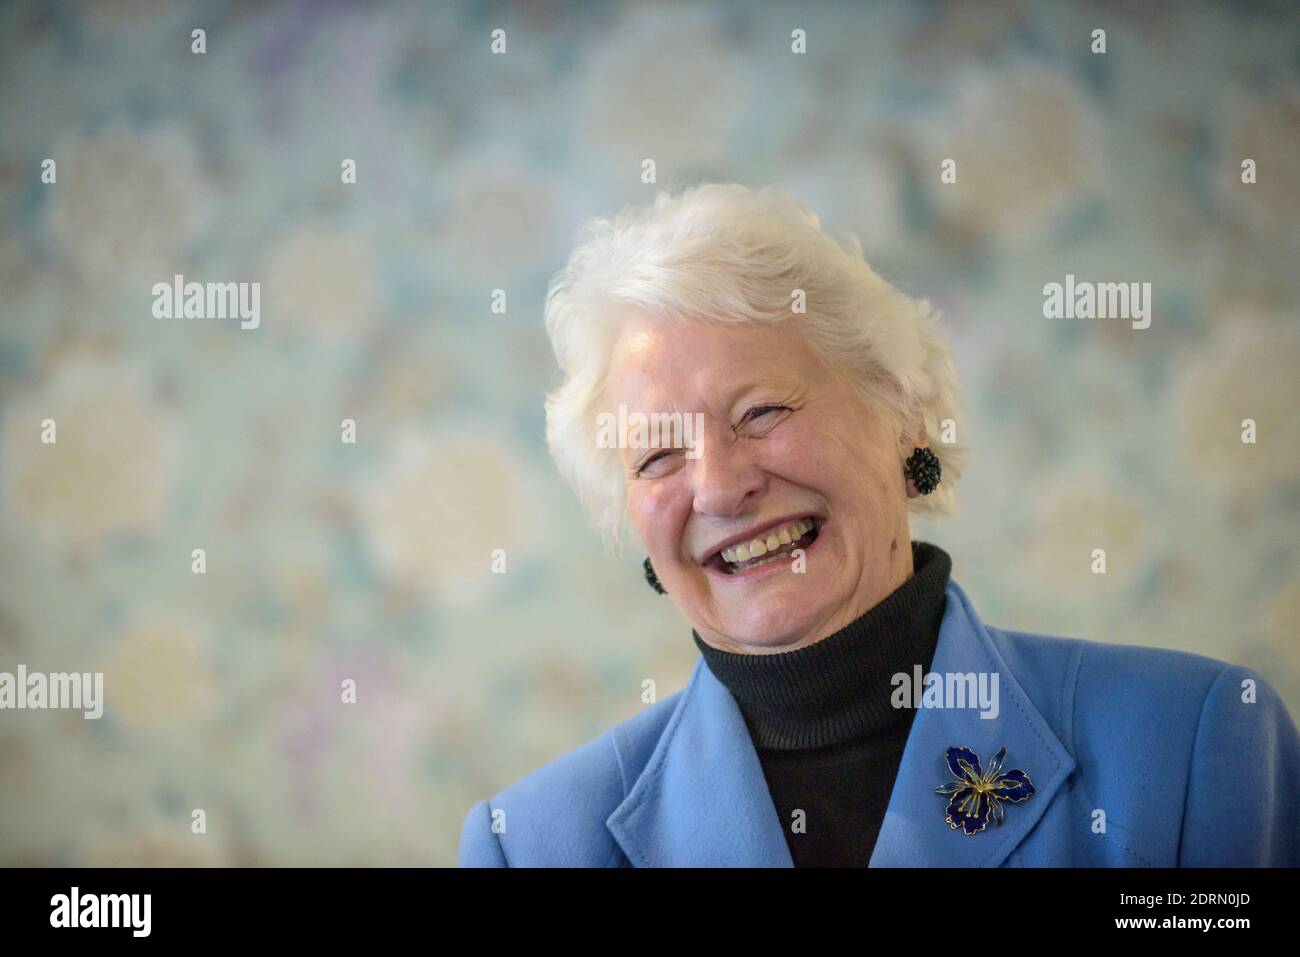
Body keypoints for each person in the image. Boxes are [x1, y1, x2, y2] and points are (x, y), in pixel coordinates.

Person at [459, 182, 1300, 866]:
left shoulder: (1193, 746)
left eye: (760, 411)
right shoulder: (531, 845)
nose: (717, 487)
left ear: (900, 411)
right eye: (657, 458)